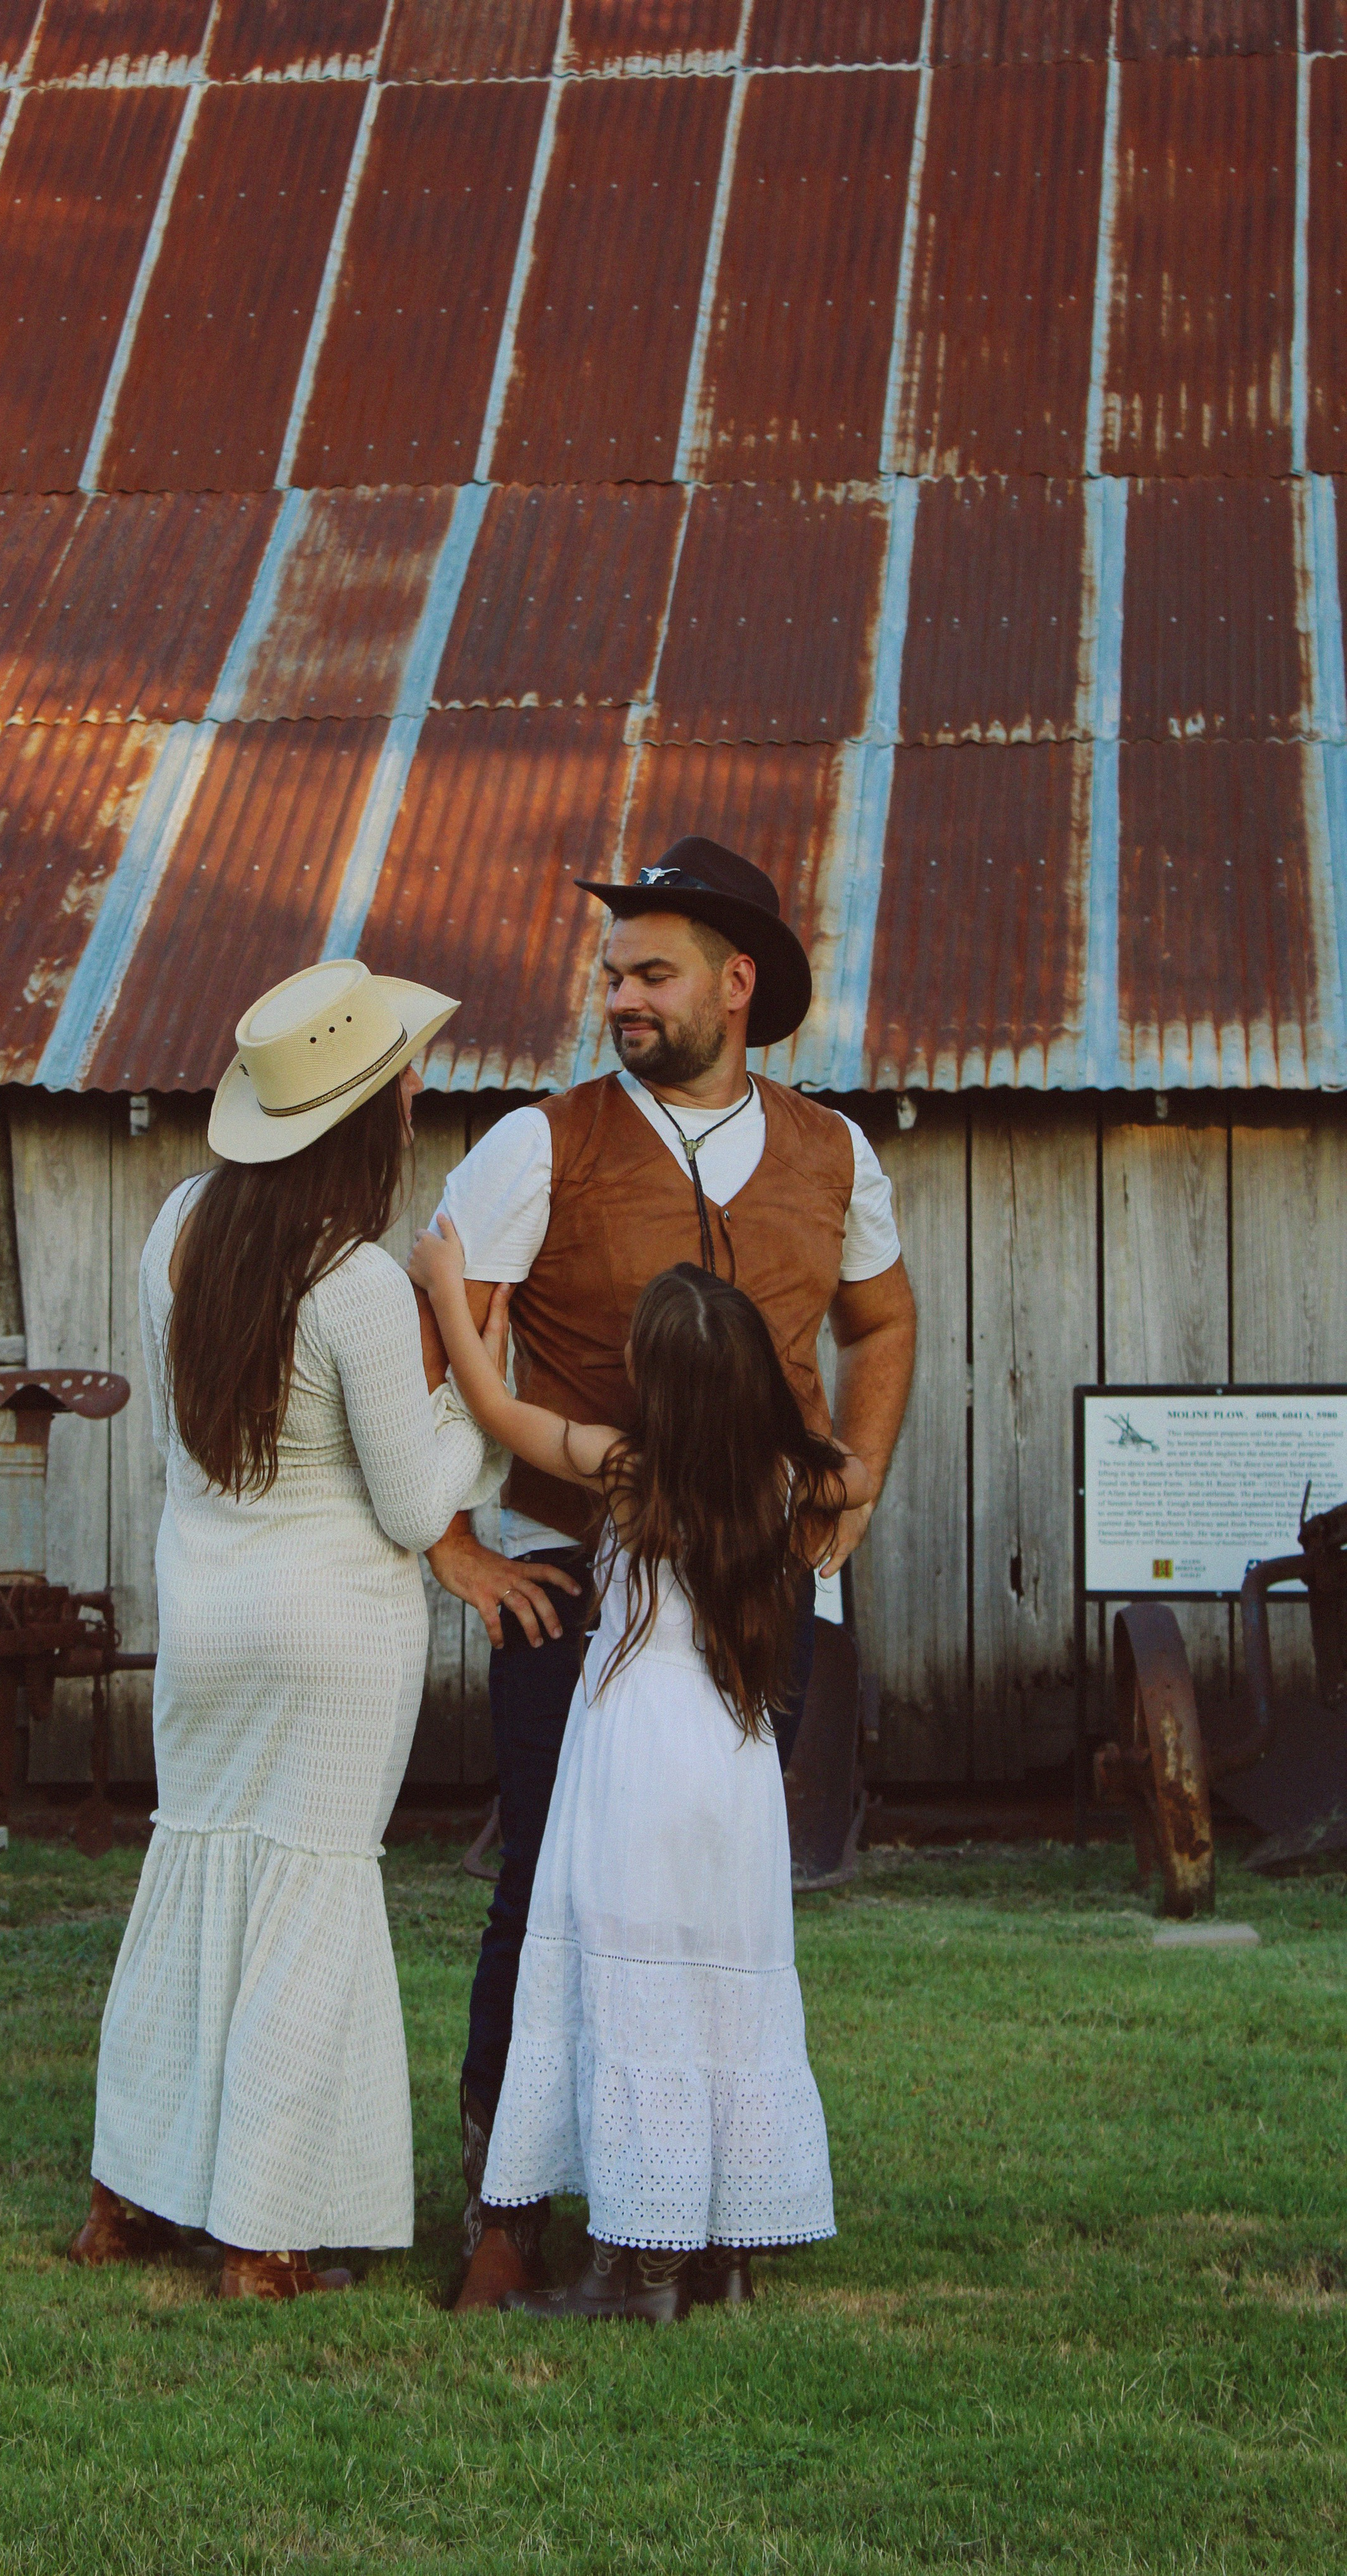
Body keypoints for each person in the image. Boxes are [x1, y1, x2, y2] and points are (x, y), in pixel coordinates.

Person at [419, 835, 916, 2310]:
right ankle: (502, 2209)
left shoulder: (833, 1154)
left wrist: (865, 1471)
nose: (618, 998)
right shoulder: (538, 1141)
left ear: (734, 981)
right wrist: (450, 1536)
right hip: (573, 1582)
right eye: (612, 973)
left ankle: (700, 2204)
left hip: (768, 1596)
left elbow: (878, 1328)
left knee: (718, 1905)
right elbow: (445, 1339)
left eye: (649, 973)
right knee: (544, 1899)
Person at [69, 959, 502, 2299]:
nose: (421, 1090)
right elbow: (416, 1500)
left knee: (193, 1880)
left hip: (207, 1605)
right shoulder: (362, 1284)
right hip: (330, 1627)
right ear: (369, 1115)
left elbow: (191, 1442)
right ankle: (263, 2233)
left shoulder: (178, 1232)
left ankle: (127, 2203)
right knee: (309, 1901)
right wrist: (466, 1343)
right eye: (405, 1079)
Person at [411, 1226, 864, 2321]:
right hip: (735, 1759)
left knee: (630, 1986)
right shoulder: (800, 1479)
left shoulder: (626, 1470)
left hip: (632, 1757)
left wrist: (462, 1307)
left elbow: (497, 1415)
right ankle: (728, 2258)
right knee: (719, 1984)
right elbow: (852, 1468)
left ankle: (633, 2271)